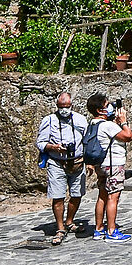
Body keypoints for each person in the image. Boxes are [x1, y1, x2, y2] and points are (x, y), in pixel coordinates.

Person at [34, 91, 89, 245]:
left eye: (67, 106)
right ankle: (60, 227)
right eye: (61, 106)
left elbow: (87, 139)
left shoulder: (80, 119)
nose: (64, 109)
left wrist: (89, 161)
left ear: (71, 105)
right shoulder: (49, 120)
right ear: (57, 106)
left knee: (77, 194)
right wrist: (54, 147)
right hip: (56, 162)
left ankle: (69, 221)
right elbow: (40, 142)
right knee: (58, 196)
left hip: (77, 162)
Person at [83, 92, 132, 242]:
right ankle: (112, 231)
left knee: (102, 195)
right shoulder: (108, 126)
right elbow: (128, 136)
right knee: (113, 197)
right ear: (100, 110)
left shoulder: (93, 124)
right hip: (113, 164)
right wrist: (123, 122)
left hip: (101, 165)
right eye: (107, 105)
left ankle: (98, 228)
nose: (110, 107)